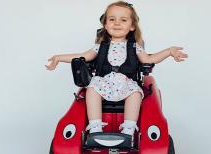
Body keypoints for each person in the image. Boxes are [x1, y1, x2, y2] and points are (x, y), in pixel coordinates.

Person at [46, 1, 188, 137]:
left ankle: (129, 129)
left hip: (126, 83)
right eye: (112, 19)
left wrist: (169, 52)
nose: (117, 23)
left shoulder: (134, 46)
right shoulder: (100, 46)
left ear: (132, 26)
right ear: (105, 25)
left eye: (123, 20)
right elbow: (82, 56)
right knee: (91, 90)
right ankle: (95, 127)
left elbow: (149, 59)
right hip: (104, 82)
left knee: (135, 94)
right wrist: (59, 58)